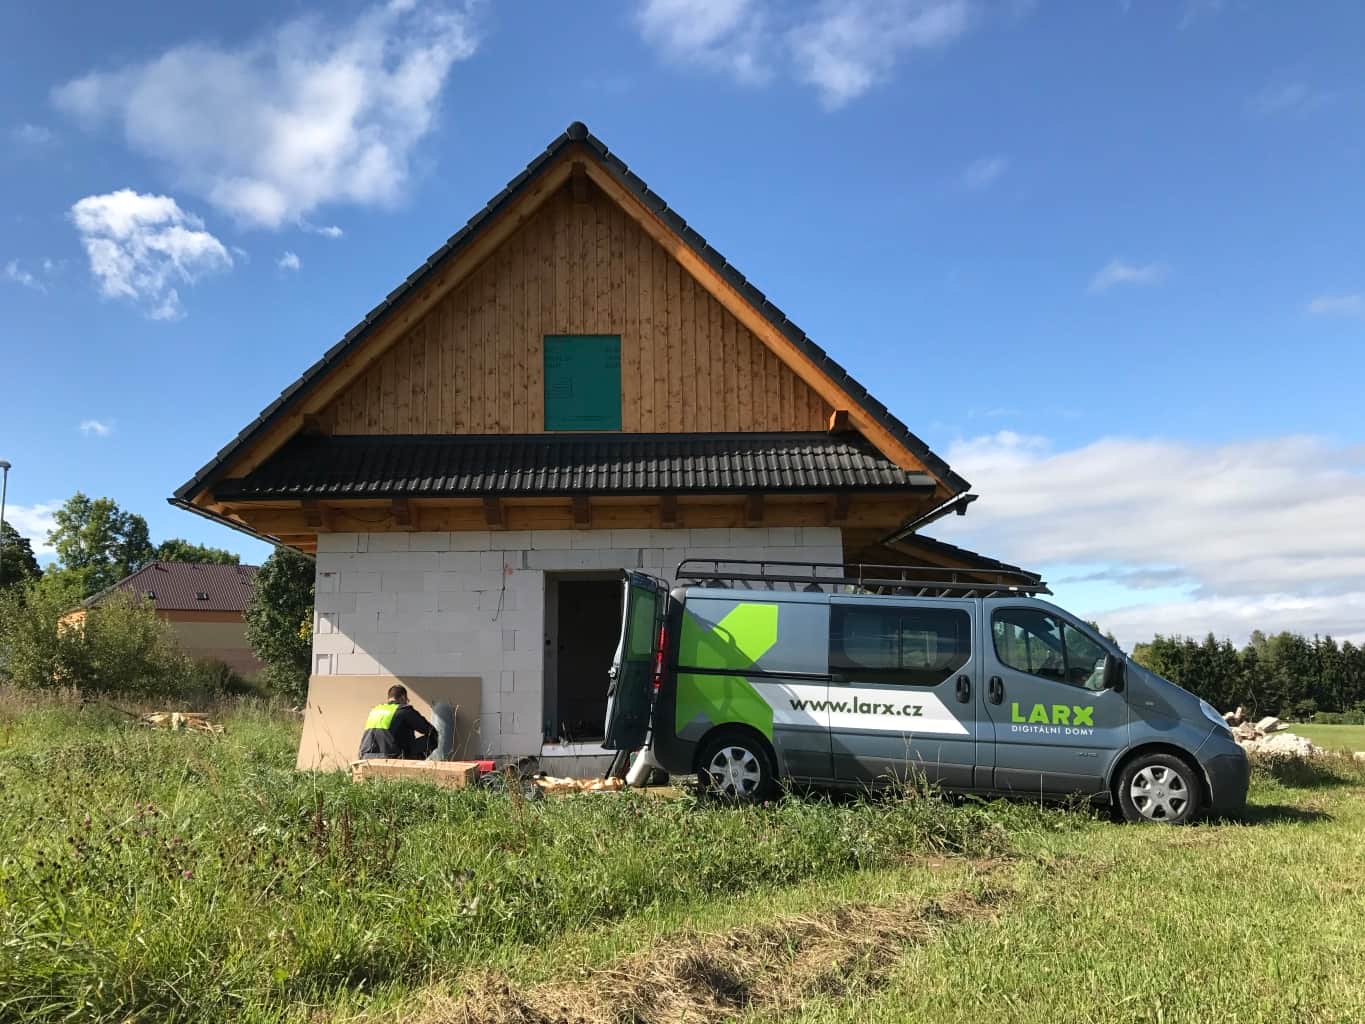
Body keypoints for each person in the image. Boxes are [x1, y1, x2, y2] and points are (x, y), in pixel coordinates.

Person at [358, 685, 438, 760]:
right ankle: (410, 766)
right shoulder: (403, 710)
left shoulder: (375, 710)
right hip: (391, 757)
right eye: (407, 700)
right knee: (434, 737)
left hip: (365, 756)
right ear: (403, 697)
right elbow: (429, 730)